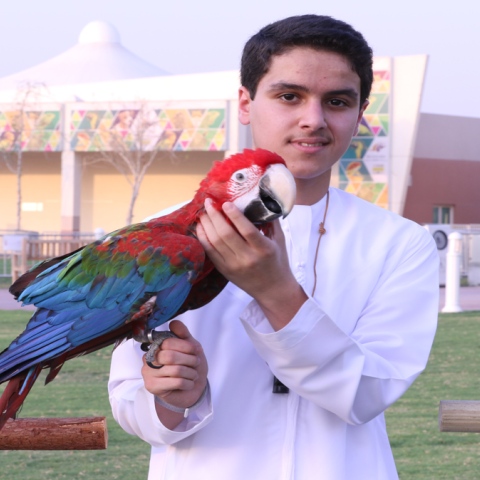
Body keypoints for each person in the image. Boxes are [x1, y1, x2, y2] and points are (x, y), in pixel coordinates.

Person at [108, 14, 438, 479]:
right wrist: (167, 399)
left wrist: (276, 291)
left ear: (360, 114)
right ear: (245, 102)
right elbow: (127, 397)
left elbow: (367, 395)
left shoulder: (400, 243)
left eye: (338, 101)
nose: (313, 119)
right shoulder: (161, 239)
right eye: (289, 96)